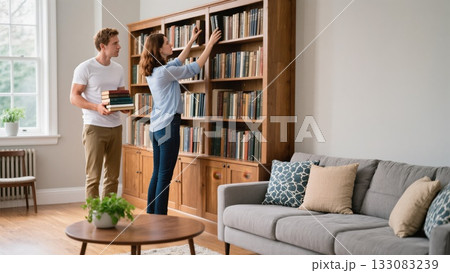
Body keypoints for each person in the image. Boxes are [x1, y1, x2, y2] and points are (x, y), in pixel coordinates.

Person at [139, 27, 221, 214]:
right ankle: (160, 219)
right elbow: (195, 67)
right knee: (164, 176)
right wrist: (209, 45)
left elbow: (178, 61)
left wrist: (191, 41)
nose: (171, 44)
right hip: (168, 126)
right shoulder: (164, 72)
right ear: (159, 49)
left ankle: (152, 215)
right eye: (167, 43)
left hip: (157, 128)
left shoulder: (157, 71)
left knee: (157, 174)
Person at [70, 28, 128, 198]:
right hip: (94, 127)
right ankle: (93, 218)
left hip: (116, 127)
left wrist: (125, 107)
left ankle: (108, 216)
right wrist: (97, 107)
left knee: (112, 177)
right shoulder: (85, 68)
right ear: (103, 46)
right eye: (115, 43)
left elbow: (121, 96)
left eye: (118, 42)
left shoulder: (118, 68)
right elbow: (74, 97)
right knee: (93, 177)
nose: (119, 46)